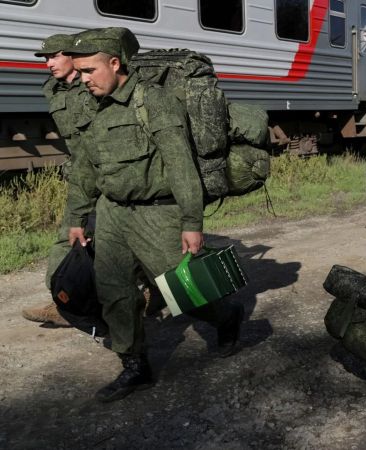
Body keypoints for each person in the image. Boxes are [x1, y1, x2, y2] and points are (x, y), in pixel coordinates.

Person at [63, 27, 245, 402]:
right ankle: (135, 367)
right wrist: (76, 218)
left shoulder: (153, 100)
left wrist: (192, 222)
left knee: (187, 290)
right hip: (111, 214)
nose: (83, 80)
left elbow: (180, 165)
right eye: (79, 72)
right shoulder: (92, 107)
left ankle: (226, 315)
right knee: (115, 294)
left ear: (115, 64)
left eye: (89, 71)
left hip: (158, 214)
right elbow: (83, 168)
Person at [21, 33, 98, 328]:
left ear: (73, 56)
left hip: (110, 174)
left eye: (54, 56)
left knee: (128, 242)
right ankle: (62, 302)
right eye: (45, 58)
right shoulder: (53, 89)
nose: (49, 63)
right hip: (83, 174)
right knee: (68, 236)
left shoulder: (94, 85)